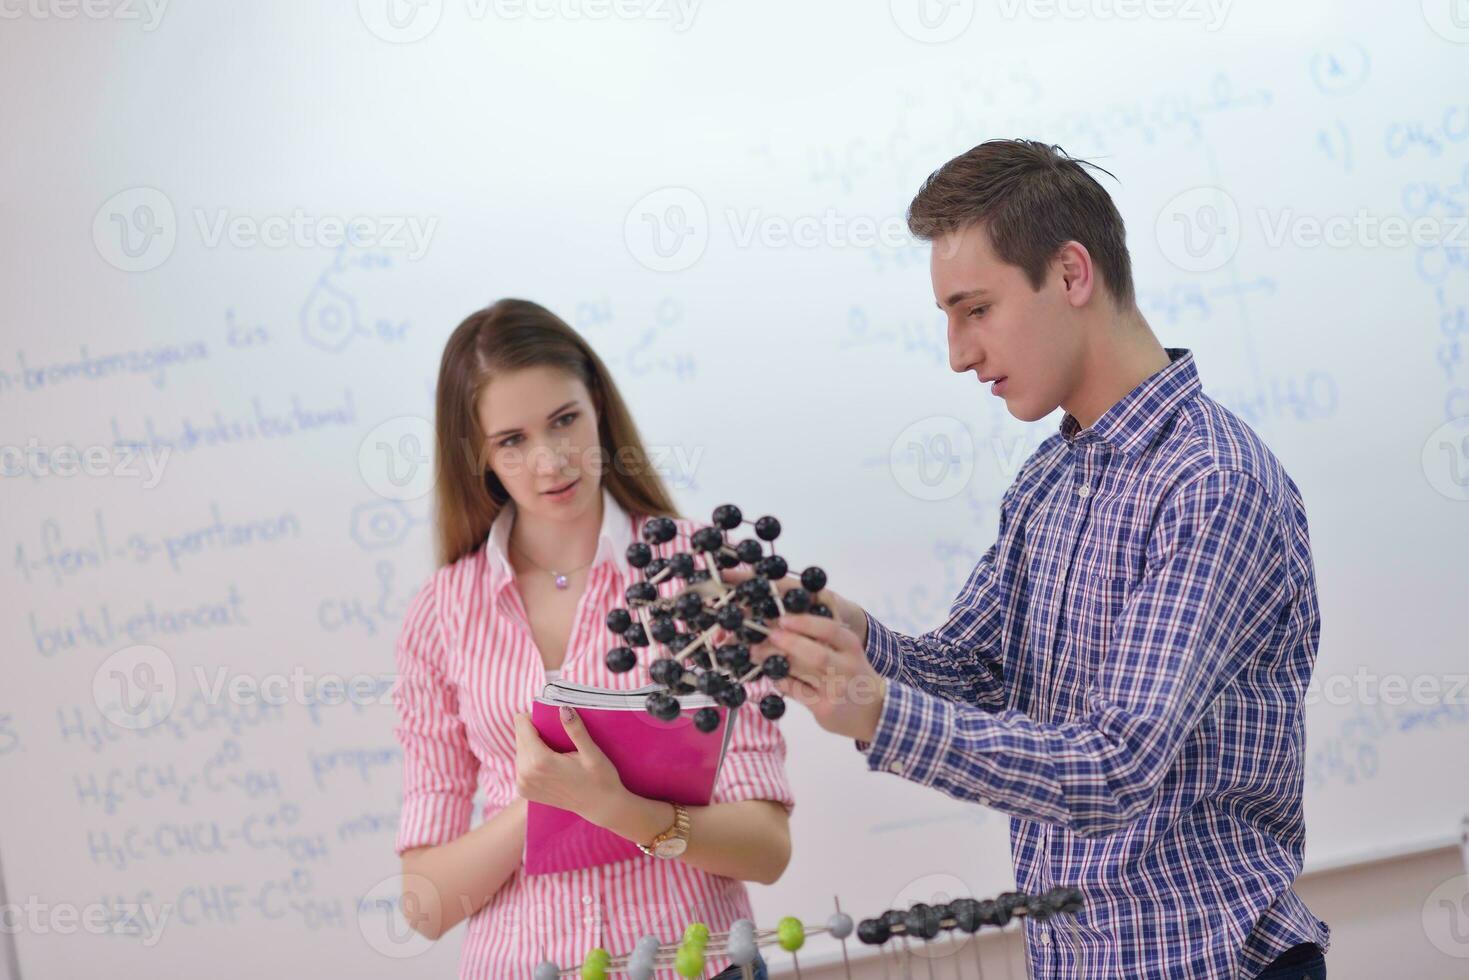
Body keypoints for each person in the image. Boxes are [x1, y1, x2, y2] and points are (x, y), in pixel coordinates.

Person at [751, 140, 1330, 979]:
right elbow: (974, 672)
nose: (956, 352)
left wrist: (878, 713)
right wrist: (843, 627)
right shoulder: (1050, 478)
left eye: (974, 309)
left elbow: (1114, 765)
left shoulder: (1211, 486)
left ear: (1069, 274)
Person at [391, 298, 793, 978]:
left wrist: (623, 810)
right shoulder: (440, 615)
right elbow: (426, 906)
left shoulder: (701, 576)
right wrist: (549, 800)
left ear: (598, 406)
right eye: (511, 441)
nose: (550, 462)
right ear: (479, 457)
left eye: (564, 420)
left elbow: (765, 847)